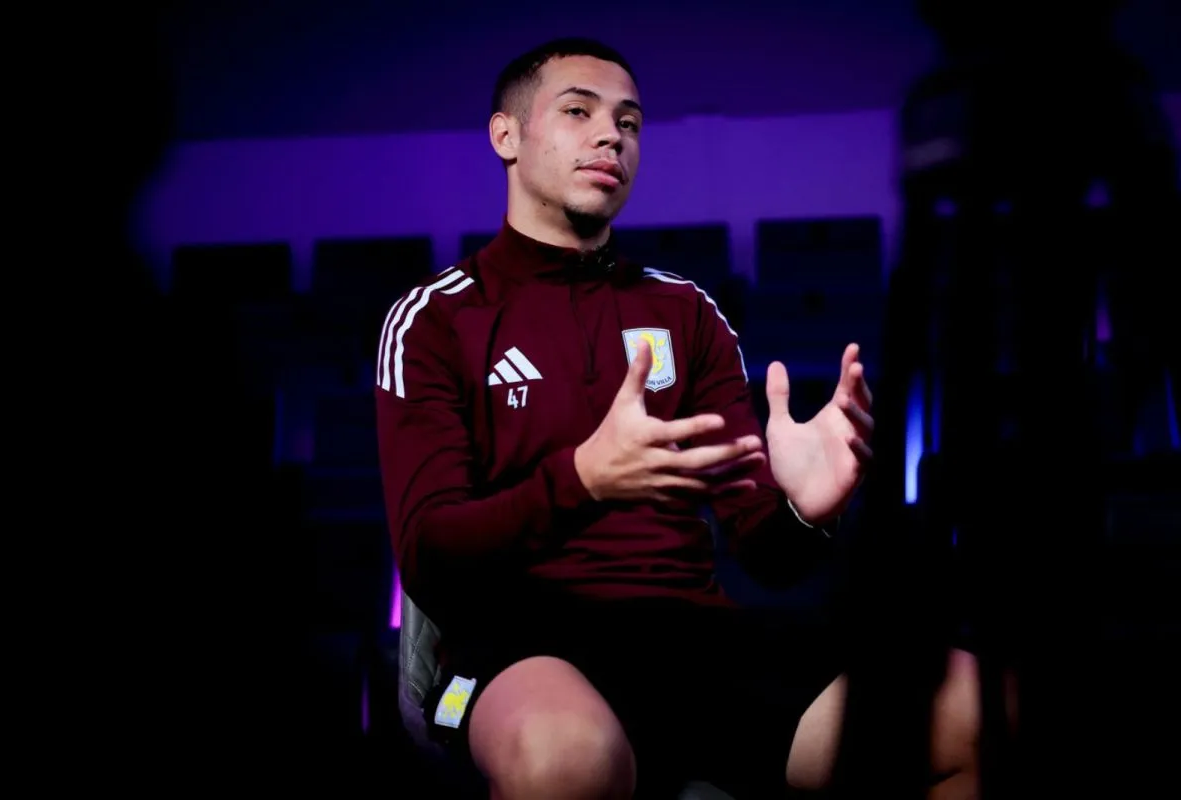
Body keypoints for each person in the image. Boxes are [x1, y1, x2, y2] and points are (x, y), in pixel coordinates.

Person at [375, 38, 981, 799]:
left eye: (629, 122)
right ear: (507, 136)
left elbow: (769, 557)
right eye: (578, 112)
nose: (611, 136)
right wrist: (582, 480)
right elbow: (430, 553)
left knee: (974, 708)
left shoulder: (685, 310)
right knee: (566, 759)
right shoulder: (436, 317)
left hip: (694, 639)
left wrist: (807, 509)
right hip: (519, 645)